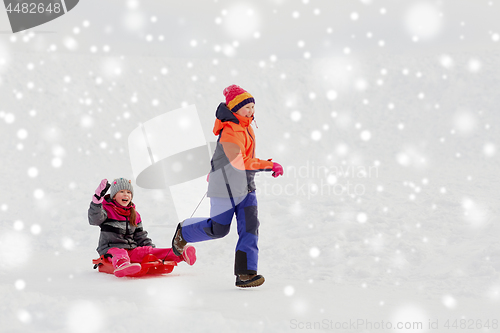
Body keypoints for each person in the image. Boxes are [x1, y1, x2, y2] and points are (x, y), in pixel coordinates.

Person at [171, 84, 283, 288]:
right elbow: (239, 162)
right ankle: (184, 232)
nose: (251, 111)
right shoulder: (230, 131)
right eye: (246, 107)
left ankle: (246, 274)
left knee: (250, 228)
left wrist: (263, 165)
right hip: (224, 188)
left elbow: (247, 160)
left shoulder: (247, 127)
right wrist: (268, 165)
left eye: (252, 106)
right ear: (234, 109)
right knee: (218, 229)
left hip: (246, 187)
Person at [88, 177, 196, 277]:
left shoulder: (135, 215)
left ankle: (181, 254)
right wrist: (96, 201)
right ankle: (122, 265)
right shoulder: (106, 211)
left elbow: (140, 236)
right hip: (109, 250)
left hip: (131, 250)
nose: (126, 195)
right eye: (121, 191)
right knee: (120, 252)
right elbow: (94, 219)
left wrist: (150, 251)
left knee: (147, 251)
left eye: (128, 192)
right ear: (114, 196)